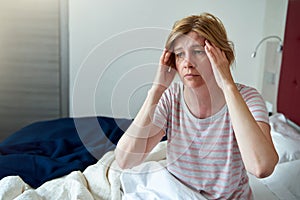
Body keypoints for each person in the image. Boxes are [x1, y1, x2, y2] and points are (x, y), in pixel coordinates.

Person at [115, 12, 278, 199]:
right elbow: (125, 160)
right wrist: (156, 89)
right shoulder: (171, 98)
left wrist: (227, 85)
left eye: (198, 52)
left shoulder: (248, 98)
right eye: (180, 54)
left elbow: (261, 168)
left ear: (220, 56)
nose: (187, 63)